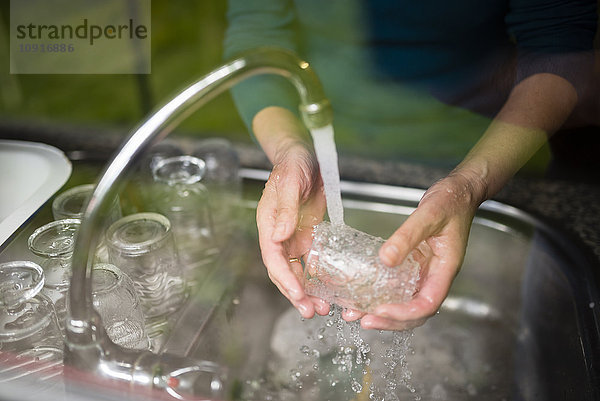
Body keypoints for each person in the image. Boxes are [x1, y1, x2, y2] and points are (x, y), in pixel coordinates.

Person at [223, 0, 599, 331]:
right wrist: (289, 149)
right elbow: (257, 34)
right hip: (333, 153)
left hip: (489, 151)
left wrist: (470, 184)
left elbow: (559, 46)